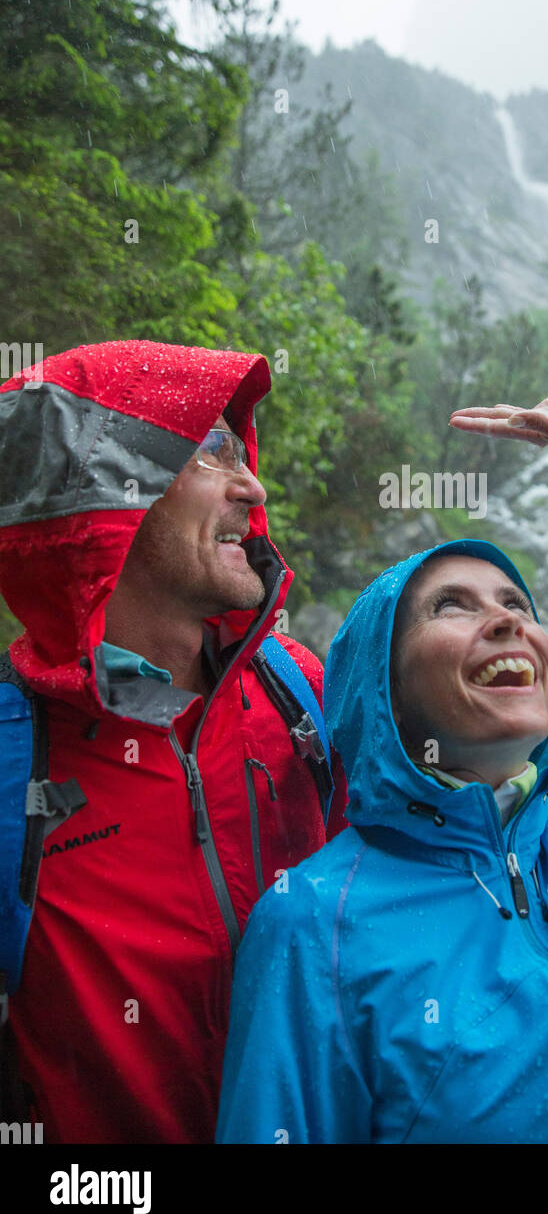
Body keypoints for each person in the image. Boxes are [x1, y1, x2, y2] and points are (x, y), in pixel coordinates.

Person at [216, 393, 548, 1145]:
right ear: (382, 687)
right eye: (452, 607)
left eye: (514, 601)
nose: (510, 622)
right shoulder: (311, 923)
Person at [0, 339, 349, 1143]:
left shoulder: (297, 687)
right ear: (101, 500)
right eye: (209, 451)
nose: (252, 485)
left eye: (240, 448)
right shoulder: (15, 757)